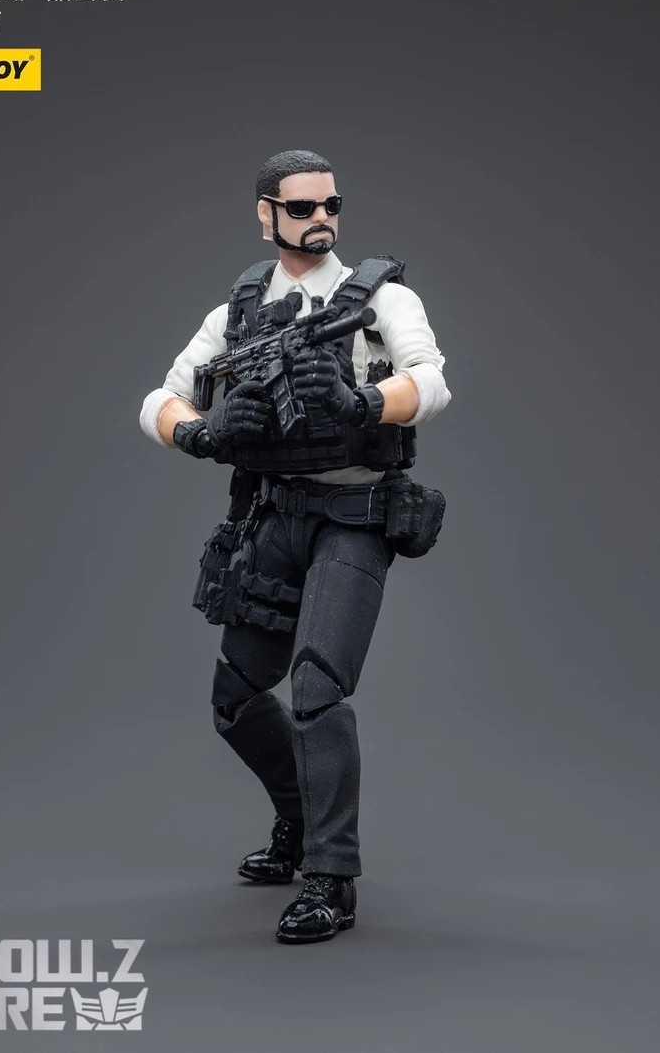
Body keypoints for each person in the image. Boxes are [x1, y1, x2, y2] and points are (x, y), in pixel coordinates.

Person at [139, 149, 450, 943]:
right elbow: (159, 399)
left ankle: (330, 876)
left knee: (316, 688)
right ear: (266, 214)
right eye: (303, 207)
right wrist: (202, 430)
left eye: (331, 205)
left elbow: (432, 381)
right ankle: (298, 819)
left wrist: (364, 402)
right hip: (273, 516)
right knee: (236, 699)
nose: (321, 220)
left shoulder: (380, 299)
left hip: (354, 514)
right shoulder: (237, 313)